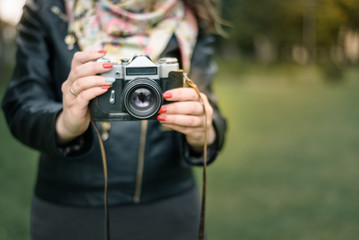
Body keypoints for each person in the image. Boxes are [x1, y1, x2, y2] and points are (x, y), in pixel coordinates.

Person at [1, 0, 226, 239]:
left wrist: (203, 130)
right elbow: (21, 104)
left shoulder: (189, 14)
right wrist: (64, 125)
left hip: (170, 202)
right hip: (71, 206)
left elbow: (210, 108)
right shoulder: (48, 8)